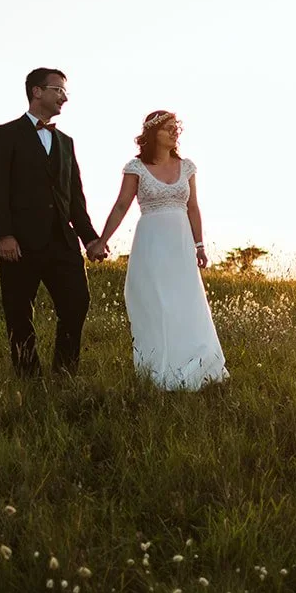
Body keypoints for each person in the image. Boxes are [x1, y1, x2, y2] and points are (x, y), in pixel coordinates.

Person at [0, 67, 108, 376]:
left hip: (61, 243)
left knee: (76, 304)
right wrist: (3, 235)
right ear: (37, 91)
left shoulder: (65, 142)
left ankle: (65, 372)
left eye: (65, 92)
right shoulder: (6, 133)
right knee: (18, 311)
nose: (64, 97)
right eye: (58, 90)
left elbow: (74, 197)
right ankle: (28, 376)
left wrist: (90, 238)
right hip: (19, 243)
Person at [96, 110, 228, 390]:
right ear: (152, 134)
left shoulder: (187, 166)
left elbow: (193, 207)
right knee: (157, 303)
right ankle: (158, 366)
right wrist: (102, 239)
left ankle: (195, 362)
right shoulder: (136, 167)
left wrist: (200, 245)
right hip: (151, 243)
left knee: (185, 302)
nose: (174, 132)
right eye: (167, 128)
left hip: (180, 245)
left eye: (175, 127)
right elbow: (122, 205)